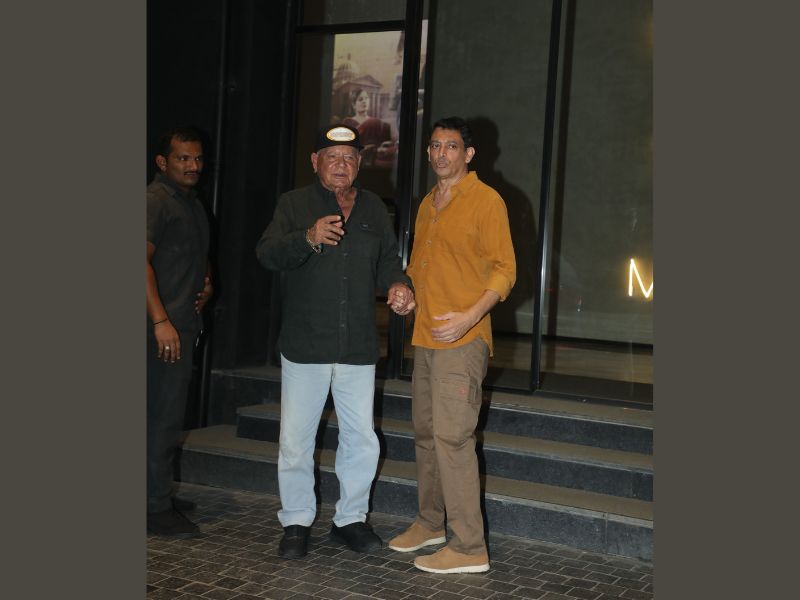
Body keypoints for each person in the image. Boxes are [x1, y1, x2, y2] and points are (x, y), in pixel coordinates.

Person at [255, 124, 415, 559]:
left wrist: (399, 285)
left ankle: (350, 519)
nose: (341, 165)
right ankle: (296, 522)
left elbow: (388, 260)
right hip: (306, 344)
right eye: (332, 157)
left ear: (359, 163)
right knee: (295, 441)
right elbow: (266, 253)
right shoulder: (294, 204)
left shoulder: (374, 208)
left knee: (361, 439)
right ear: (315, 162)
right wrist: (306, 238)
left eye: (349, 158)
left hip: (357, 346)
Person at [387, 117, 516, 574]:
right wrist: (407, 295)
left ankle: (468, 547)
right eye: (435, 145)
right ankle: (430, 523)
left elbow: (505, 269)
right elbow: (422, 268)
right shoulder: (429, 203)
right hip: (426, 337)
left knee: (452, 438)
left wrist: (469, 316)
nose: (441, 153)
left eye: (452, 146)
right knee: (426, 435)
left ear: (469, 154)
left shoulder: (486, 200)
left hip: (463, 341)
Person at [146, 127, 214, 538]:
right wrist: (160, 322)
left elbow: (196, 255)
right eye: (183, 158)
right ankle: (154, 508)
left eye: (198, 158)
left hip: (180, 326)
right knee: (162, 418)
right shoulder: (155, 200)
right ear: (162, 162)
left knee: (165, 415)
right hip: (159, 331)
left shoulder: (191, 203)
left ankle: (155, 492)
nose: (193, 165)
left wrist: (206, 284)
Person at [343, 88, 393, 167]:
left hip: (376, 160)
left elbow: (386, 144)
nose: (364, 101)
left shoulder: (378, 123)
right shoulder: (348, 122)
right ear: (353, 105)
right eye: (360, 99)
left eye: (366, 98)